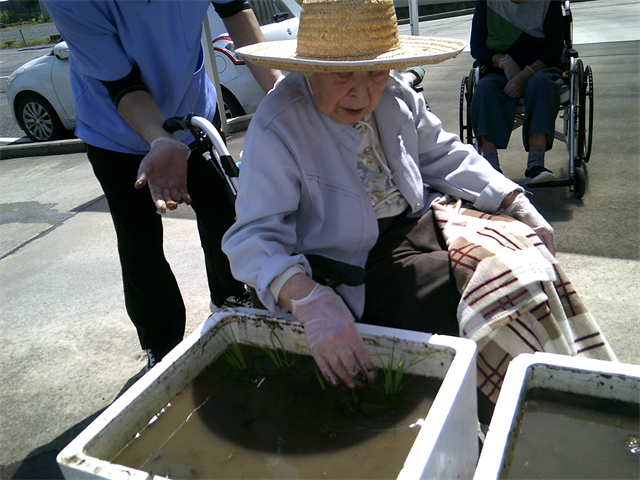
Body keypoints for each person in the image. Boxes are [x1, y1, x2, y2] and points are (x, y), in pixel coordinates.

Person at [221, 0, 617, 414]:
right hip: (353, 262)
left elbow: (444, 153)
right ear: (312, 67)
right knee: (490, 298)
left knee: (528, 257)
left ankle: (578, 389)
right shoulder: (279, 122)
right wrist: (309, 301)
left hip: (423, 218)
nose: (361, 92)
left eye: (375, 71)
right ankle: (524, 412)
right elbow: (253, 237)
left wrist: (511, 198)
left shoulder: (393, 92)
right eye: (343, 74)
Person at [43, 0, 282, 369]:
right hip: (116, 132)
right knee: (140, 243)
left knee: (224, 215)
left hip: (193, 111)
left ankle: (232, 300)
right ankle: (163, 345)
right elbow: (122, 84)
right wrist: (163, 138)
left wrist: (281, 93)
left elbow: (235, 10)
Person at [469, 0, 564, 184]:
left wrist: (525, 74)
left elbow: (554, 48)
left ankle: (536, 165)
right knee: (484, 89)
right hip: (499, 68)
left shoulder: (547, 2)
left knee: (542, 86)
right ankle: (490, 167)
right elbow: (477, 47)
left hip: (540, 66)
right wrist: (504, 62)